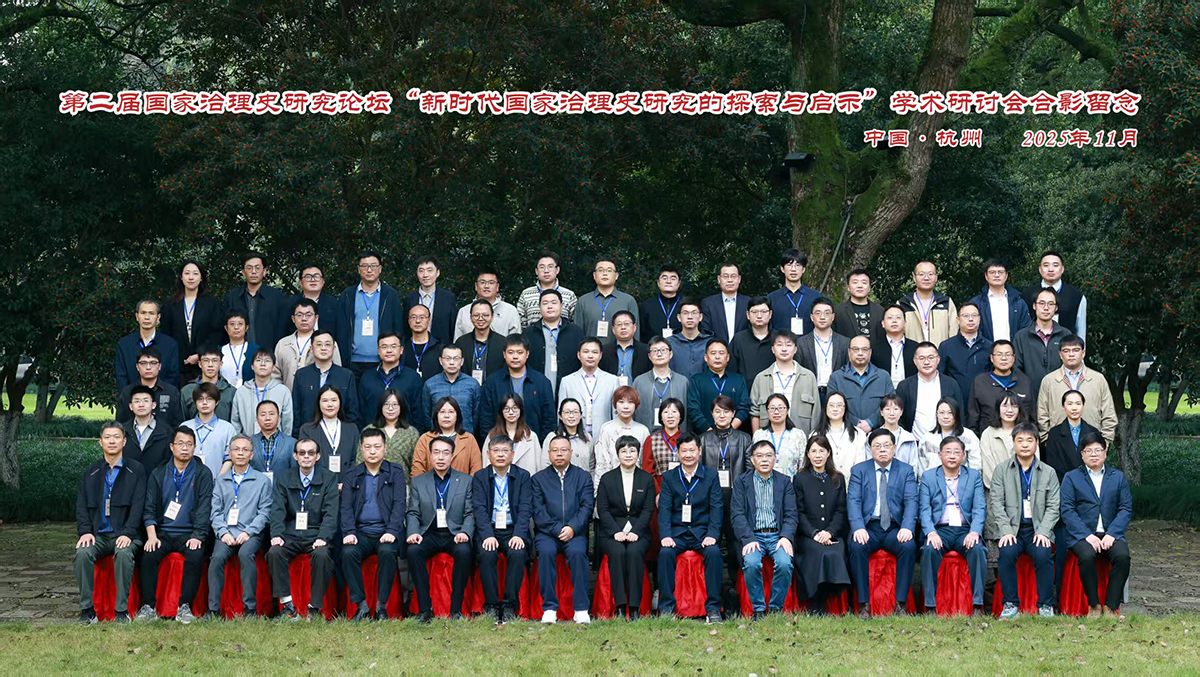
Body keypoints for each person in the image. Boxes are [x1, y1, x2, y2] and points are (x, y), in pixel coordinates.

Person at [135, 426, 213, 624]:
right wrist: (152, 535)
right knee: (149, 554)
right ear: (172, 447)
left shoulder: (203, 473)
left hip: (189, 533)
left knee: (195, 555)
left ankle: (185, 606)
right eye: (180, 444)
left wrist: (198, 535)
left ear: (194, 448)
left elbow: (204, 508)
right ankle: (148, 606)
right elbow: (149, 508)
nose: (184, 448)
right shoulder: (159, 473)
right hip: (162, 533)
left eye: (189, 444)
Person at [74, 422, 147, 624]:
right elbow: (81, 505)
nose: (112, 441)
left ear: (124, 441)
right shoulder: (91, 472)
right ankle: (87, 610)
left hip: (125, 534)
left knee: (123, 554)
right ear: (100, 442)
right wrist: (85, 531)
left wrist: (128, 533)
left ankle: (121, 611)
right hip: (98, 534)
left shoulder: (136, 470)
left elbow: (139, 506)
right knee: (82, 553)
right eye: (107, 437)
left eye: (116, 437)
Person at [846, 428, 918, 619]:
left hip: (895, 527)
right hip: (869, 526)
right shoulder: (859, 470)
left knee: (908, 546)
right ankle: (863, 605)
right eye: (877, 446)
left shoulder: (906, 470)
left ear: (894, 448)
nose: (882, 449)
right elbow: (853, 501)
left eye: (887, 445)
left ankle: (900, 604)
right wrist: (858, 527)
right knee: (857, 546)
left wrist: (907, 527)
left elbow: (911, 501)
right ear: (870, 449)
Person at [1059, 432, 1132, 617]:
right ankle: (1094, 605)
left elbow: (1125, 509)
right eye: (1088, 450)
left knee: (1123, 557)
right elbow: (1067, 510)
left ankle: (1110, 606)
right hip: (1082, 535)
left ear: (1105, 453)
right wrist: (1087, 535)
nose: (1093, 454)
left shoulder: (1118, 477)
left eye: (1097, 450)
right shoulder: (1071, 477)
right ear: (1082, 454)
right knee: (1087, 556)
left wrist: (1112, 533)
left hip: (1110, 533)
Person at [266, 437, 339, 621]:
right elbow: (277, 510)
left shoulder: (329, 478)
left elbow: (331, 513)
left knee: (322, 555)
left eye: (311, 453)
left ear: (318, 456)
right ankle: (287, 606)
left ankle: (314, 608)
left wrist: (323, 537)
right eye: (302, 453)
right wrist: (277, 535)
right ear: (295, 456)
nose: (306, 456)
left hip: (316, 534)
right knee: (274, 552)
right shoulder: (285, 477)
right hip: (291, 534)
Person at [991, 423, 1059, 619]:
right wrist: (1006, 530)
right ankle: (1010, 604)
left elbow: (1054, 506)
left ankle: (1045, 604)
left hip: (1037, 529)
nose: (1025, 444)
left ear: (1037, 443)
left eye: (1030, 440)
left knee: (1043, 554)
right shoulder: (1001, 470)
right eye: (1020, 440)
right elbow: (996, 503)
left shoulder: (1048, 472)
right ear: (1013, 443)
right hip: (1013, 529)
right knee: (1007, 552)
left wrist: (1044, 531)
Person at [340, 428, 408, 621]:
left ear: (385, 448)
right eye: (368, 447)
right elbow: (345, 507)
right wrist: (349, 532)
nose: (372, 451)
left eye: (377, 447)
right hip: (360, 532)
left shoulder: (395, 472)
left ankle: (381, 607)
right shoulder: (352, 474)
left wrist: (392, 531)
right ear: (361, 449)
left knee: (387, 552)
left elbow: (399, 505)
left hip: (386, 532)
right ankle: (361, 606)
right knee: (348, 553)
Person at [657, 433, 724, 623]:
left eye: (692, 450)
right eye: (684, 451)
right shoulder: (669, 477)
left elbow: (716, 508)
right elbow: (664, 509)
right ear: (678, 453)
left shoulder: (711, 476)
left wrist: (712, 535)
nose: (688, 455)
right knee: (665, 554)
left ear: (700, 451)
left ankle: (713, 609)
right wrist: (666, 535)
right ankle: (667, 609)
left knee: (714, 553)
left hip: (701, 533)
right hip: (677, 533)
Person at [406, 436, 474, 622]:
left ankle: (456, 609)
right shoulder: (419, 482)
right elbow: (413, 512)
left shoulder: (466, 481)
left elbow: (470, 513)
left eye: (445, 453)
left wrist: (465, 532)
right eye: (436, 453)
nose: (441, 457)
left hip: (454, 533)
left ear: (452, 456)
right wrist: (414, 532)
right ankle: (424, 609)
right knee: (413, 550)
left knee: (464, 551)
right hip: (430, 532)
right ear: (430, 455)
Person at [917, 436, 987, 616]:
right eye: (948, 452)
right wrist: (931, 533)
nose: (952, 456)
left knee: (978, 550)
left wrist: (975, 532)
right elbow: (924, 509)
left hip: (965, 530)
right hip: (940, 529)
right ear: (940, 455)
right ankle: (930, 606)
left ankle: (977, 605)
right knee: (929, 550)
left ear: (963, 456)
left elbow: (979, 508)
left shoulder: (973, 476)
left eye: (957, 452)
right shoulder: (929, 477)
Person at [206, 435, 272, 619]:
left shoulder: (262, 481)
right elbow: (215, 512)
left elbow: (265, 512)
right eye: (236, 449)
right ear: (230, 454)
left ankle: (249, 608)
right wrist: (223, 532)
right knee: (217, 558)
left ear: (251, 454)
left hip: (251, 533)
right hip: (226, 532)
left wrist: (248, 532)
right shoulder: (221, 481)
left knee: (245, 554)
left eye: (245, 450)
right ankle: (213, 610)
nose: (240, 453)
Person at [531, 435, 595, 623]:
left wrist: (572, 528)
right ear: (549, 453)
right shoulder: (538, 479)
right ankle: (549, 608)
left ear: (571, 452)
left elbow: (587, 507)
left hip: (575, 532)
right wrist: (557, 529)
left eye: (563, 450)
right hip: (548, 534)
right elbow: (538, 511)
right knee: (546, 552)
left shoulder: (583, 477)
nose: (559, 454)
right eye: (555, 450)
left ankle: (581, 608)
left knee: (578, 553)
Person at [731, 440, 798, 619]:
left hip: (778, 535)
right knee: (751, 563)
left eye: (769, 455)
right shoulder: (742, 482)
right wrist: (748, 538)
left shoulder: (784, 482)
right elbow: (737, 515)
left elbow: (791, 514)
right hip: (753, 536)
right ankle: (759, 609)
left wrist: (786, 537)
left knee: (784, 563)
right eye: (759, 456)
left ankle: (775, 608)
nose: (764, 460)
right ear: (752, 460)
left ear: (775, 459)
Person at [472, 434, 533, 623]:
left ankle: (509, 605)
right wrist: (487, 535)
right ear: (488, 454)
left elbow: (525, 508)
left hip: (513, 529)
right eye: (496, 451)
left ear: (512, 454)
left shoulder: (523, 476)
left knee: (517, 552)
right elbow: (479, 509)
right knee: (487, 553)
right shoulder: (480, 477)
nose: (500, 455)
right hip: (489, 530)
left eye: (505, 451)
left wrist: (519, 534)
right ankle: (491, 605)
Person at [596, 435, 656, 620]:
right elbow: (603, 510)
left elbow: (648, 510)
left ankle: (635, 607)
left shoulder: (646, 479)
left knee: (634, 552)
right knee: (618, 552)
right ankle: (621, 606)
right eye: (623, 451)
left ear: (638, 454)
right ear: (617, 454)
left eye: (632, 451)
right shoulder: (607, 479)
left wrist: (636, 532)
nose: (628, 454)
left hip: (640, 531)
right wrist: (616, 532)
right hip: (612, 531)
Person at [699, 394, 753, 597]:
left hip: (736, 498)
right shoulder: (703, 439)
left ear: (733, 414)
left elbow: (749, 471)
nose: (722, 415)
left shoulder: (744, 438)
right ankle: (714, 590)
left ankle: (735, 591)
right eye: (717, 411)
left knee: (734, 544)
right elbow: (699, 471)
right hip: (710, 499)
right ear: (712, 414)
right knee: (712, 543)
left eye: (726, 411)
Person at [792, 435, 851, 615]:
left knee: (835, 552)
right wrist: (815, 533)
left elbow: (841, 511)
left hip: (832, 534)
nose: (818, 455)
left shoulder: (838, 478)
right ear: (808, 454)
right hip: (808, 535)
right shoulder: (800, 478)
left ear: (828, 453)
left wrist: (830, 532)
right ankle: (815, 602)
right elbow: (799, 512)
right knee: (818, 552)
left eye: (822, 451)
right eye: (814, 451)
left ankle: (822, 600)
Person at [1035, 336, 1117, 443]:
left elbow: (1108, 413)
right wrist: (1048, 441)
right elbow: (1042, 414)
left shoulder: (1098, 379)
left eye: (1076, 350)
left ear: (1083, 353)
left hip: (1092, 443)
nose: (1071, 354)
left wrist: (1105, 441)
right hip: (1059, 442)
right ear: (1060, 354)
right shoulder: (1049, 380)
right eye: (1066, 351)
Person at [478, 334, 557, 440]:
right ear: (504, 354)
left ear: (527, 354)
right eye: (511, 352)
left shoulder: (541, 382)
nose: (515, 356)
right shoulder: (492, 382)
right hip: (500, 444)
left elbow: (549, 419)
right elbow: (486, 419)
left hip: (532, 443)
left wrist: (540, 444)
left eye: (520, 352)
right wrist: (494, 443)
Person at [338, 251, 404, 376]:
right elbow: (341, 328)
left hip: (383, 360)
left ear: (380, 269)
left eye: (373, 266)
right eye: (365, 266)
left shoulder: (390, 295)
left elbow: (398, 327)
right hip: (353, 362)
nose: (369, 270)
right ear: (359, 269)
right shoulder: (347, 295)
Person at [161, 261, 224, 384]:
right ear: (181, 277)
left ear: (201, 278)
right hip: (177, 365)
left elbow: (216, 334)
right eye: (187, 273)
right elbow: (166, 334)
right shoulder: (170, 304)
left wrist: (200, 355)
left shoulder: (212, 304)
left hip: (204, 365)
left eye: (195, 273)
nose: (191, 277)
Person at [749, 330, 820, 434]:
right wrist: (757, 438)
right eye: (779, 345)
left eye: (788, 345)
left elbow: (816, 413)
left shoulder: (808, 377)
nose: (784, 349)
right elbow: (755, 412)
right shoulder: (761, 378)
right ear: (773, 349)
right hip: (768, 439)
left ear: (795, 349)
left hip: (801, 438)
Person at [292, 330, 359, 435]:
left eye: (327, 344)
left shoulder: (346, 375)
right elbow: (296, 410)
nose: (323, 348)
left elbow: (352, 410)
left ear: (334, 348)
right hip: (308, 433)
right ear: (311, 349)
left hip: (338, 434)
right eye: (319, 344)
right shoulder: (301, 375)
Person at [359, 333, 427, 433]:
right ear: (378, 351)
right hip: (373, 436)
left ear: (401, 350)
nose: (389, 350)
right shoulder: (367, 377)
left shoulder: (413, 378)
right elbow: (361, 412)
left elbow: (419, 414)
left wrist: (415, 437)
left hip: (405, 436)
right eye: (384, 347)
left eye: (393, 346)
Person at [223, 252, 289, 353]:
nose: (253, 272)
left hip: (268, 355)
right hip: (237, 354)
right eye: (249, 268)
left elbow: (282, 328)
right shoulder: (232, 297)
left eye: (257, 268)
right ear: (243, 272)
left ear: (264, 271)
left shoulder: (276, 297)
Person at [827, 336, 896, 432]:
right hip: (846, 433)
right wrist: (856, 423)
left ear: (870, 352)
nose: (860, 353)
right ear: (849, 352)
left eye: (864, 349)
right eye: (856, 349)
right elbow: (831, 406)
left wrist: (871, 422)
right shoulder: (836, 378)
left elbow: (891, 404)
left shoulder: (883, 376)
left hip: (878, 433)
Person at [896, 342, 959, 444]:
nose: (926, 362)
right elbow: (899, 417)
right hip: (914, 443)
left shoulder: (951, 384)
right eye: (921, 358)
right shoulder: (904, 386)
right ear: (915, 361)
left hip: (945, 444)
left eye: (931, 357)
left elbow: (960, 415)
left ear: (938, 360)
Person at [966, 340, 1034, 434]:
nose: (1004, 358)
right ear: (992, 358)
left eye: (1008, 354)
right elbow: (973, 416)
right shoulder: (980, 382)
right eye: (999, 354)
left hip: (1020, 438)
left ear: (1013, 358)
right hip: (989, 438)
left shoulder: (1024, 381)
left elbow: (1032, 414)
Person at [523, 289, 583, 396]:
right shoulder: (529, 333)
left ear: (561, 306)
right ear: (539, 307)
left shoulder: (575, 332)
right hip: (536, 390)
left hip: (569, 391)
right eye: (545, 303)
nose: (549, 306)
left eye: (554, 303)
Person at [557, 337, 620, 438]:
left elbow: (616, 413)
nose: (590, 356)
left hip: (604, 436)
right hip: (575, 436)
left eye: (595, 352)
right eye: (586, 352)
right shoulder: (567, 381)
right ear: (579, 355)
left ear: (600, 355)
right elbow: (561, 412)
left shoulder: (612, 380)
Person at [275, 298, 341, 391]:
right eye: (299, 315)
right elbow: (275, 375)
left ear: (316, 318)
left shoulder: (327, 343)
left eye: (309, 315)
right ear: (293, 319)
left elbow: (338, 373)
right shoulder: (283, 344)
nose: (304, 319)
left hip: (320, 397)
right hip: (288, 395)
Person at [591, 387, 651, 490]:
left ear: (636, 405)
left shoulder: (643, 430)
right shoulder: (607, 428)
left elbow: (645, 463)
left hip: (636, 485)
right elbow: (602, 463)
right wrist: (599, 490)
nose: (626, 407)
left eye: (630, 402)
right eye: (621, 402)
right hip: (611, 485)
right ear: (615, 404)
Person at [116, 299, 181, 393]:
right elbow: (121, 377)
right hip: (132, 398)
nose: (147, 317)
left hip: (162, 398)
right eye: (143, 313)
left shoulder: (170, 344)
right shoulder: (124, 344)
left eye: (151, 313)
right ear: (137, 316)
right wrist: (132, 397)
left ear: (158, 317)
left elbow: (173, 376)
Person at [1021, 250, 1087, 341]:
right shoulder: (1027, 295)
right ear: (1040, 269)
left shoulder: (1076, 296)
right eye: (1046, 265)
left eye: (1055, 265)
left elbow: (1081, 331)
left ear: (1062, 269)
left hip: (1066, 347)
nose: (1051, 269)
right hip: (1033, 347)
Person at [298, 385, 361, 479]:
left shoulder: (351, 429)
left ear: (340, 402)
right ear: (318, 403)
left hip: (347, 483)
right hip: (317, 483)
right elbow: (305, 461)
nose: (330, 404)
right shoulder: (307, 430)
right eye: (325, 401)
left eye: (334, 400)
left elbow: (355, 459)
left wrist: (347, 483)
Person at [1013, 287, 1071, 390]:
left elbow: (1071, 366)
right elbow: (1016, 369)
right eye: (1041, 303)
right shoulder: (1021, 336)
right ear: (1034, 306)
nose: (1046, 308)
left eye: (1050, 304)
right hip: (1030, 394)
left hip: (1060, 393)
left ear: (1056, 308)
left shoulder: (1065, 334)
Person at [688, 339, 751, 432]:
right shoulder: (697, 380)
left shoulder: (738, 379)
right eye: (713, 353)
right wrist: (710, 433)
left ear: (728, 357)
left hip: (734, 434)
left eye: (721, 353)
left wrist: (730, 430)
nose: (717, 357)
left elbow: (744, 406)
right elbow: (693, 409)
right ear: (706, 357)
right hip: (704, 435)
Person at [114, 347, 185, 428]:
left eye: (153, 363)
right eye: (143, 363)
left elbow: (178, 422)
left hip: (166, 435)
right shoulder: (127, 392)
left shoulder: (171, 392)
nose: (148, 367)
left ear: (160, 366)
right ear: (137, 367)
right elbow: (120, 423)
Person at [938, 302, 993, 405]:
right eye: (966, 316)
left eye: (974, 315)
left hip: (983, 402)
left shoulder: (989, 347)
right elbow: (940, 376)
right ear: (958, 320)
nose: (970, 319)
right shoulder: (946, 346)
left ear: (979, 319)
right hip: (954, 403)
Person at [412, 397, 483, 476]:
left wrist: (467, 484)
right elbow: (417, 470)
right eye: (442, 412)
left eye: (451, 412)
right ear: (436, 415)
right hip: (430, 484)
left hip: (463, 484)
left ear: (457, 415)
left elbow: (476, 470)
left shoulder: (469, 439)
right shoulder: (425, 439)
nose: (446, 416)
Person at [230, 348, 293, 436]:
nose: (263, 364)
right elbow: (235, 423)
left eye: (267, 361)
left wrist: (284, 442)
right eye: (258, 360)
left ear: (273, 367)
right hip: (247, 442)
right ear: (252, 366)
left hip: (276, 442)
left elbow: (287, 423)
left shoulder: (283, 391)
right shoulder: (241, 392)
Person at [575, 257, 638, 344]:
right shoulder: (583, 301)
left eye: (609, 270)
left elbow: (635, 333)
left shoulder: (628, 301)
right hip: (590, 351)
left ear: (616, 276)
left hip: (619, 351)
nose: (605, 273)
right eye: (601, 270)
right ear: (594, 275)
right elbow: (577, 333)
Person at [422, 345, 482, 436]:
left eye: (456, 359)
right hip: (437, 438)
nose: (451, 362)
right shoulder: (430, 384)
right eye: (447, 358)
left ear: (462, 361)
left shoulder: (473, 384)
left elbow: (476, 415)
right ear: (440, 361)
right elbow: (427, 415)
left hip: (465, 437)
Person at [633, 337, 690, 430]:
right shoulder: (639, 381)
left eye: (663, 350)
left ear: (670, 354)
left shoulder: (683, 382)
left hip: (676, 436)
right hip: (646, 434)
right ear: (649, 356)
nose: (659, 354)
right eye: (654, 351)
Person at [797, 299, 850, 397]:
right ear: (811, 317)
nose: (822, 317)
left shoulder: (845, 342)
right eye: (818, 313)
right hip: (809, 394)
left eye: (827, 313)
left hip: (838, 394)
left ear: (833, 317)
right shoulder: (801, 343)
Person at [897, 261, 958, 346]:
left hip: (940, 353)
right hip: (912, 353)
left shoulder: (946, 302)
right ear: (914, 277)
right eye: (921, 274)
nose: (926, 278)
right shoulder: (904, 303)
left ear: (936, 277)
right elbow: (897, 334)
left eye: (930, 274)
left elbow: (954, 334)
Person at [969, 259, 1030, 343]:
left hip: (1013, 350)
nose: (997, 275)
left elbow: (1025, 330)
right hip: (985, 350)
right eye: (992, 272)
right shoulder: (977, 303)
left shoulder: (1018, 303)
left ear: (1006, 275)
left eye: (1000, 272)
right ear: (986, 276)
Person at [182, 382, 236, 477]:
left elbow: (230, 458)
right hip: (188, 481)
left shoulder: (227, 428)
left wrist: (219, 479)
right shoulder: (185, 427)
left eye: (209, 399)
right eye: (200, 399)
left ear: (217, 402)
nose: (204, 403)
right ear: (195, 402)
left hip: (217, 481)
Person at [1043, 390, 1097, 482]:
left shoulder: (1093, 432)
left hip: (1089, 483)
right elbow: (1052, 463)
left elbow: (1097, 462)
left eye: (1078, 404)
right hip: (1063, 483)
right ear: (1063, 407)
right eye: (1070, 404)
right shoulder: (1054, 433)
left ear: (1083, 406)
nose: (1074, 408)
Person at [918, 398, 982, 476]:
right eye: (942, 412)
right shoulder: (927, 438)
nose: (946, 416)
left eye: (950, 413)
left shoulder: (969, 437)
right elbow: (922, 469)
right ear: (937, 414)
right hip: (933, 482)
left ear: (956, 414)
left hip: (962, 481)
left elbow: (975, 467)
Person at [403, 255, 457, 347]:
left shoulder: (448, 298)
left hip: (441, 348)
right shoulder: (410, 298)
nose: (425, 275)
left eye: (429, 270)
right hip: (415, 347)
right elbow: (405, 328)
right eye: (421, 271)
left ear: (438, 273)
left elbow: (452, 328)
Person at [453, 268, 520, 340]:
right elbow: (458, 342)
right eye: (482, 282)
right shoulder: (464, 312)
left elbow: (516, 342)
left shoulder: (510, 311)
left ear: (497, 287)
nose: (486, 286)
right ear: (476, 286)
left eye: (491, 283)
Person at [767, 249, 823, 335]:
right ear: (782, 269)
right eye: (789, 265)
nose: (793, 269)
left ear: (803, 269)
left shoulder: (816, 297)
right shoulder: (772, 298)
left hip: (809, 343)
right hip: (781, 343)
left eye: (798, 265)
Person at [455, 300, 509, 387]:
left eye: (485, 315)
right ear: (471, 318)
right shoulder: (461, 342)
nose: (480, 318)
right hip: (466, 390)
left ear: (492, 317)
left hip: (494, 390)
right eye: (476, 315)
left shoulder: (502, 342)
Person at [811, 391, 868, 474]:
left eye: (839, 405)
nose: (835, 409)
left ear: (845, 408)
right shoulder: (815, 435)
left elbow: (860, 466)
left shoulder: (859, 434)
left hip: (852, 480)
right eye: (831, 405)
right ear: (825, 408)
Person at [517, 251, 578, 328]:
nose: (546, 270)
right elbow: (520, 323)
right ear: (536, 271)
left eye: (550, 266)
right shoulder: (526, 295)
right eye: (542, 267)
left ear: (557, 270)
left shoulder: (569, 295)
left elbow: (574, 323)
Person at [751, 394, 806, 477]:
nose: (776, 412)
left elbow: (803, 465)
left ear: (787, 410)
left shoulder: (798, 435)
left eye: (780, 408)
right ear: (767, 411)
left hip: (791, 483)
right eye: (772, 408)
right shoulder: (759, 435)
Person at [121, 385, 173, 471]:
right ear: (131, 406)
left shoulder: (166, 431)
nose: (141, 405)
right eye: (137, 401)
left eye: (146, 401)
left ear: (153, 405)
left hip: (157, 478)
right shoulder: (122, 431)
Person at [729, 296, 776, 385]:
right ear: (748, 315)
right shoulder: (738, 339)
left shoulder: (778, 339)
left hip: (774, 389)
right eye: (754, 312)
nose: (759, 316)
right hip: (745, 390)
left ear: (770, 314)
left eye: (763, 312)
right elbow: (732, 370)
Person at [374, 389, 421, 479]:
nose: (390, 408)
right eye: (386, 404)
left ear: (401, 407)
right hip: (374, 484)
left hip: (403, 483)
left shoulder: (411, 433)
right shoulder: (370, 430)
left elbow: (416, 466)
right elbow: (360, 461)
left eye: (395, 405)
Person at [700, 262, 750, 344]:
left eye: (733, 276)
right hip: (716, 350)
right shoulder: (708, 303)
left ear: (739, 279)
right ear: (719, 279)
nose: (730, 280)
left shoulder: (748, 302)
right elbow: (706, 331)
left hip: (744, 349)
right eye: (726, 276)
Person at [181, 346, 234, 422]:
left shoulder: (231, 392)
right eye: (206, 360)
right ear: (200, 364)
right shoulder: (187, 391)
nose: (210, 365)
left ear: (220, 364)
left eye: (215, 361)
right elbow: (182, 420)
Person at [833, 268, 885, 345]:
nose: (860, 286)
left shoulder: (880, 311)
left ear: (869, 287)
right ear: (848, 287)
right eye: (855, 282)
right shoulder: (838, 311)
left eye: (864, 282)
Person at [291, 263, 341, 339]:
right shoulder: (290, 304)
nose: (313, 280)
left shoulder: (333, 304)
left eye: (317, 276)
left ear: (323, 281)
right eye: (308, 277)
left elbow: (341, 331)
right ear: (300, 282)